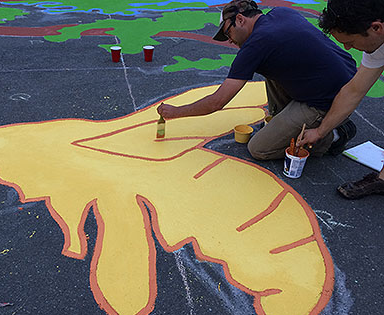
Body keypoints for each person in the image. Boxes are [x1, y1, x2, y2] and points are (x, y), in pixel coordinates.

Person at [157, 0, 357, 160]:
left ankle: (334, 133)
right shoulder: (281, 13)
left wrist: (175, 112)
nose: (229, 40)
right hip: (343, 75)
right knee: (272, 66)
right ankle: (295, 123)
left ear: (241, 20)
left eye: (228, 32)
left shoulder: (255, 46)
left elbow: (217, 102)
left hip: (331, 97)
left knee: (259, 148)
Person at [297, 0, 384, 199]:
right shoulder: (376, 39)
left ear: (376, 28)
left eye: (351, 42)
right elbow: (354, 90)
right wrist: (320, 131)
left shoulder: (374, 34)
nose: (348, 48)